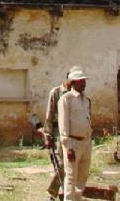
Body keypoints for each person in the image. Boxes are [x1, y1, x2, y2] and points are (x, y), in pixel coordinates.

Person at [44, 66, 79, 198]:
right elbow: (49, 115)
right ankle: (52, 192)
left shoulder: (77, 94)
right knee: (61, 164)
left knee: (71, 165)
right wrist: (48, 135)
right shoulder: (56, 92)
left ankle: (66, 194)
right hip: (59, 133)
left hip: (74, 134)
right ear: (68, 79)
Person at [58, 68, 91, 201]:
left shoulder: (86, 100)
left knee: (83, 176)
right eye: (80, 81)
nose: (83, 83)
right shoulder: (66, 99)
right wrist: (68, 146)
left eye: (84, 81)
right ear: (73, 83)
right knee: (71, 176)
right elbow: (63, 123)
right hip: (72, 142)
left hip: (86, 142)